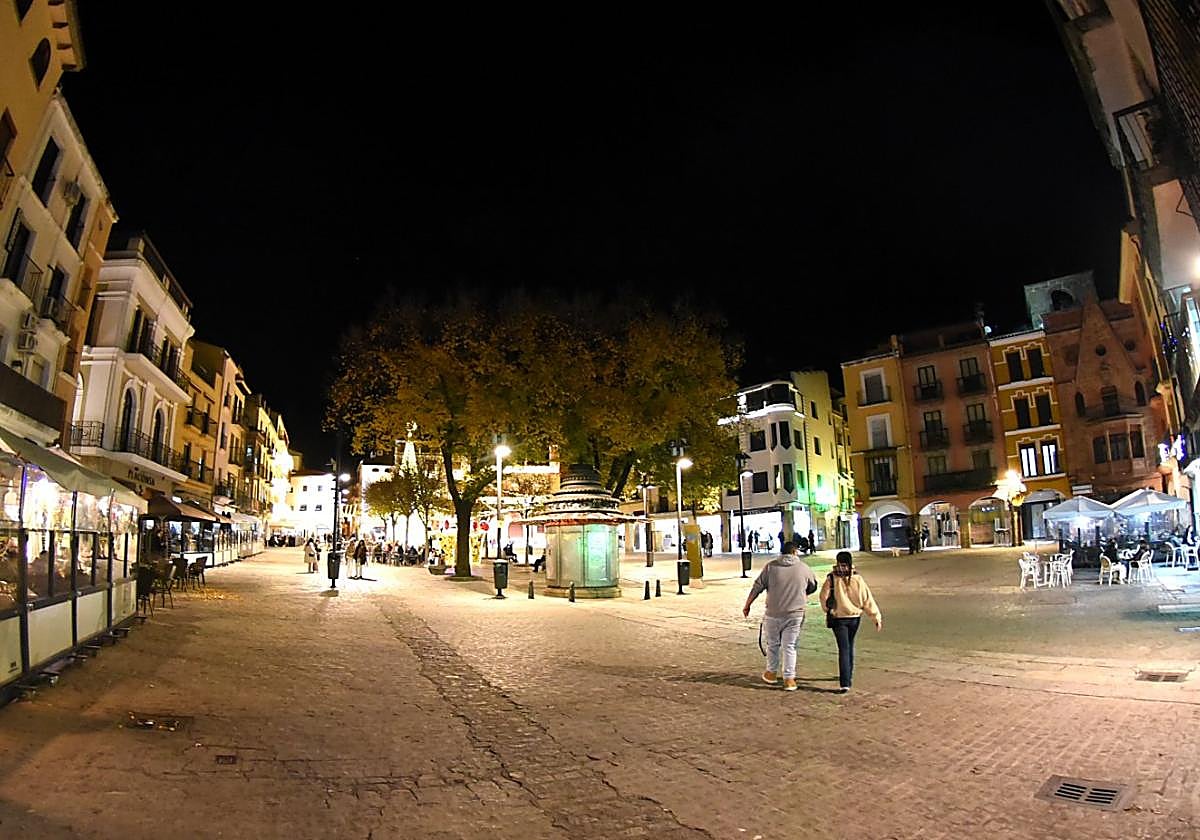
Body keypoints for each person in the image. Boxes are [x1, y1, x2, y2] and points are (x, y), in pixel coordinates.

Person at [742, 541, 818, 692]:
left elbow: (758, 586)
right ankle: (789, 679)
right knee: (790, 646)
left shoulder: (771, 567)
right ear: (795, 552)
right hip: (795, 613)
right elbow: (813, 585)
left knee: (773, 644)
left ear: (781, 552)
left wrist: (747, 604)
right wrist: (801, 593)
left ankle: (771, 673)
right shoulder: (804, 568)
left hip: (773, 613)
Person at [819, 551, 882, 693]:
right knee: (850, 645)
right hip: (854, 618)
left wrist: (827, 610)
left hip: (838, 618)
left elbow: (823, 597)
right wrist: (875, 617)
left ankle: (845, 682)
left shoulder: (832, 578)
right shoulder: (858, 578)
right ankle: (848, 673)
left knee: (843, 648)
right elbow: (867, 599)